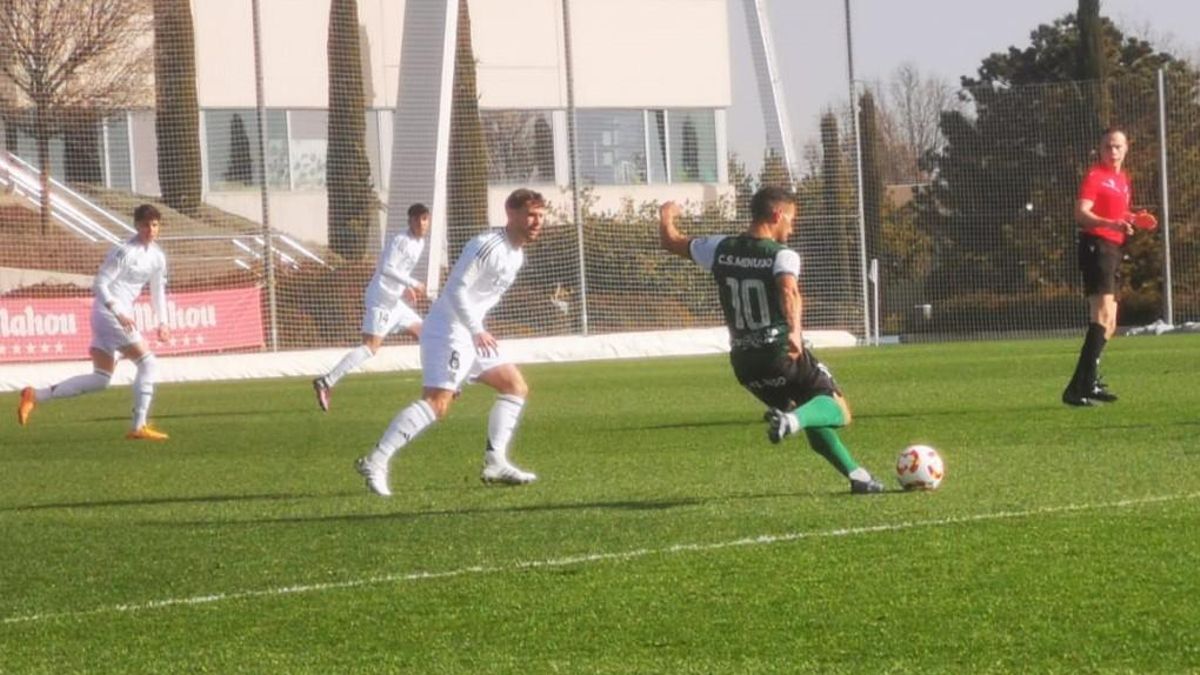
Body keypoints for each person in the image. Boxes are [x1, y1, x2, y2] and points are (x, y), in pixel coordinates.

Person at [658, 187, 884, 494]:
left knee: (807, 410)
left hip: (744, 363)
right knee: (837, 409)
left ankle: (859, 477)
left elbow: (671, 241)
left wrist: (666, 216)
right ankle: (791, 422)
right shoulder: (782, 255)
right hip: (779, 353)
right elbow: (788, 290)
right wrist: (794, 332)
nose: (792, 227)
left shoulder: (720, 247)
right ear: (777, 215)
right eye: (791, 219)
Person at [354, 188, 546, 496]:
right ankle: (375, 460)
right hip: (449, 331)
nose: (536, 222)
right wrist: (475, 330)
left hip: (470, 332)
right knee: (437, 404)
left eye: (540, 216)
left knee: (515, 386)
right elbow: (456, 289)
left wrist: (476, 330)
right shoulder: (487, 246)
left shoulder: (517, 254)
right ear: (511, 214)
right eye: (530, 215)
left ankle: (495, 461)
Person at [17, 204, 172, 440]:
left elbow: (157, 289)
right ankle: (138, 426)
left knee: (101, 378)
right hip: (109, 313)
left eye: (154, 224)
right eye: (144, 225)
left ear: (159, 226)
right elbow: (100, 283)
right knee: (148, 363)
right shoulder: (124, 252)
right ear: (136, 226)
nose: (150, 229)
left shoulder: (157, 257)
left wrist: (163, 321)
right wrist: (117, 311)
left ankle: (35, 396)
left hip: (112, 316)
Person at [313, 203, 430, 411]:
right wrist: (413, 283)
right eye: (418, 219)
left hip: (394, 301)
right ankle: (326, 381)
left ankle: (437, 385)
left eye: (425, 219)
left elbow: (398, 271)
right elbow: (385, 268)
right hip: (381, 301)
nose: (422, 224)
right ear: (410, 221)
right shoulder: (400, 240)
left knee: (427, 333)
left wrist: (404, 288)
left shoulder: (420, 243)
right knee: (370, 348)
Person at [1063, 128, 1135, 407]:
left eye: (1117, 146)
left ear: (1126, 148)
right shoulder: (1096, 176)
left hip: (1114, 248)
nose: (1113, 152)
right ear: (1100, 149)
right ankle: (1082, 385)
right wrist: (1110, 224)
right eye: (1108, 147)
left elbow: (1118, 213)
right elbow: (1082, 212)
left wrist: (1132, 218)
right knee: (1102, 315)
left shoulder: (1122, 179)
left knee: (1111, 322)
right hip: (1097, 247)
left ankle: (1082, 384)